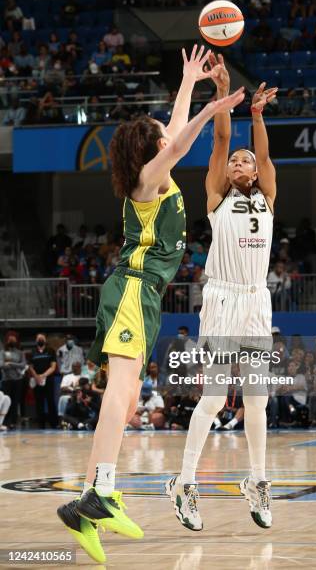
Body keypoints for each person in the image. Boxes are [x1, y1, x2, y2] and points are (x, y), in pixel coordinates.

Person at [56, 45, 244, 564]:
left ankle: (87, 504)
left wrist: (189, 83)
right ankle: (102, 490)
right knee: (123, 390)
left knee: (128, 390)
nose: (169, 130)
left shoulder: (152, 175)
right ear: (153, 150)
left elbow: (174, 129)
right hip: (133, 290)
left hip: (141, 295)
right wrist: (212, 107)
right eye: (162, 135)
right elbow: (179, 140)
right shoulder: (149, 178)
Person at [167, 54, 277, 531]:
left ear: (254, 172)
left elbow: (266, 155)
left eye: (245, 161)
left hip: (256, 300)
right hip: (223, 299)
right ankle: (184, 482)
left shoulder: (268, 195)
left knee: (257, 399)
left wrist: (258, 115)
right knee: (214, 398)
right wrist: (224, 95)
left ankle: (257, 480)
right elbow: (220, 137)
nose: (239, 161)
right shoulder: (217, 194)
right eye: (235, 160)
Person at [27, 333, 58, 429]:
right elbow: (30, 367)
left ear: (45, 340)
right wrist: (36, 376)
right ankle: (41, 425)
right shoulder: (32, 352)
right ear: (36, 340)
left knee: (50, 401)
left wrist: (43, 375)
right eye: (38, 338)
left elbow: (53, 367)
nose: (40, 339)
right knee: (39, 402)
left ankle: (54, 424)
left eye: (42, 338)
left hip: (48, 379)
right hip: (37, 380)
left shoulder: (51, 351)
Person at [0, 331, 27, 428]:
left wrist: (11, 364)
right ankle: (5, 421)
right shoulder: (2, 352)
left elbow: (23, 365)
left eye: (13, 339)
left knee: (15, 402)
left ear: (16, 341)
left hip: (18, 380)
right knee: (7, 400)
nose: (12, 340)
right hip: (6, 380)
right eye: (10, 339)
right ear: (7, 340)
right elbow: (2, 365)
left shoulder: (20, 353)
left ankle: (13, 422)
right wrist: (16, 366)